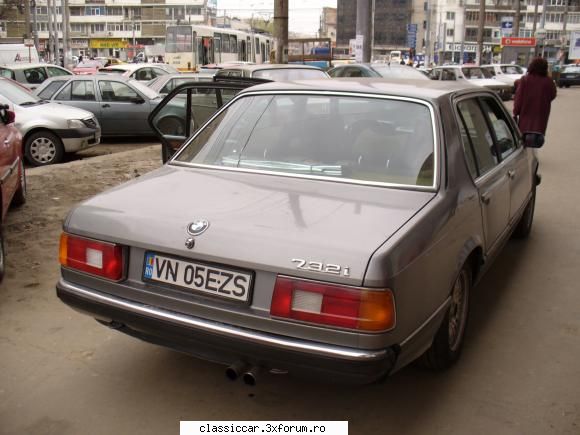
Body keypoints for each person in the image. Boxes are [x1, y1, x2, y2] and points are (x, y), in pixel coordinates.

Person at [513, 57, 557, 147]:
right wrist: (543, 101)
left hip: (525, 119)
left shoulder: (525, 80)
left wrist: (515, 112)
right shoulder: (549, 81)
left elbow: (519, 98)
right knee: (535, 142)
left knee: (523, 142)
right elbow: (553, 95)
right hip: (541, 118)